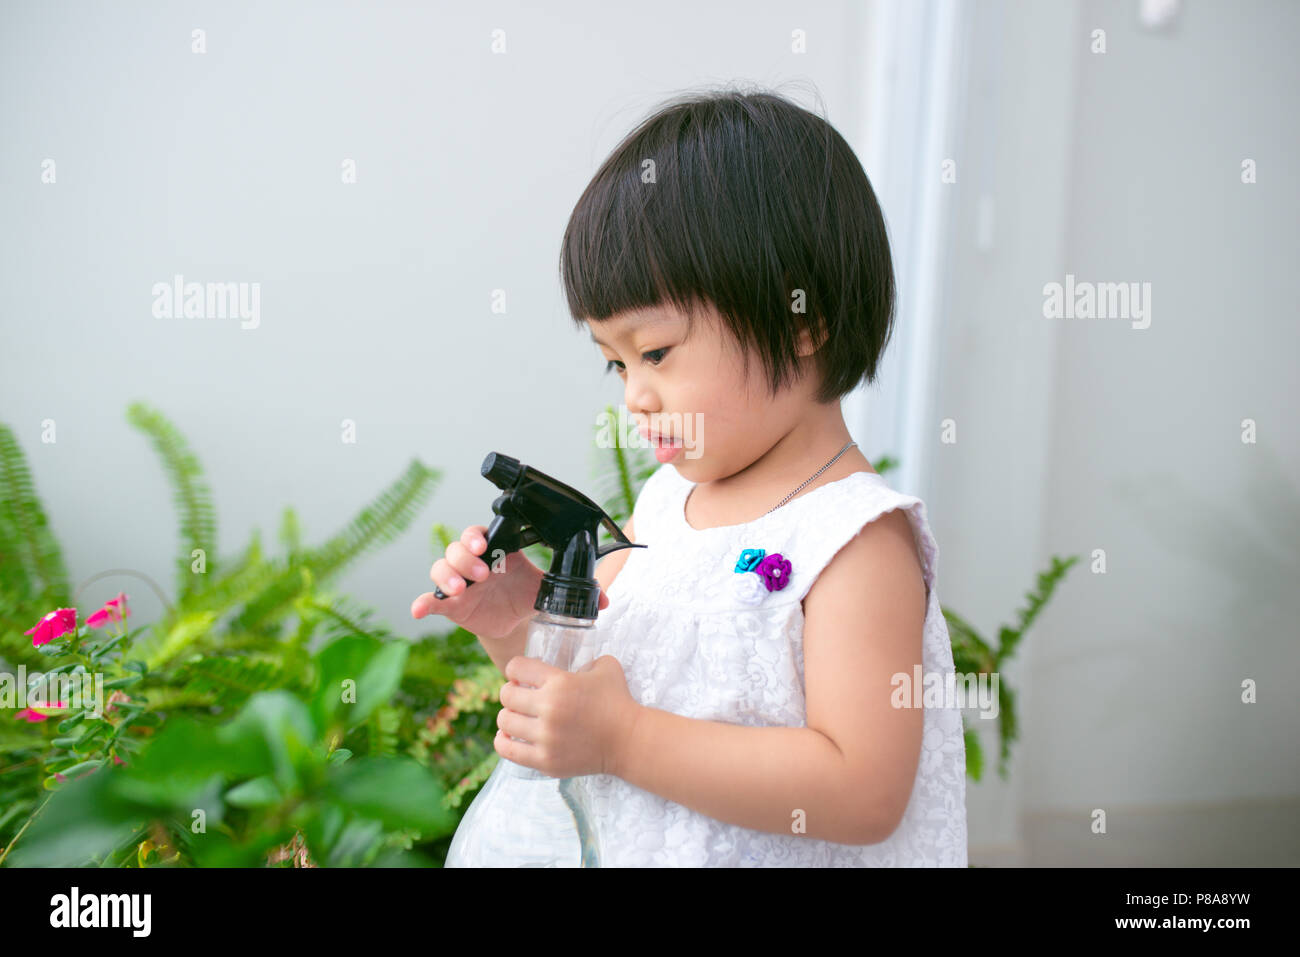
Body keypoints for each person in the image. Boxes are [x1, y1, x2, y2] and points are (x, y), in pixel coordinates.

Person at [412, 86, 967, 866]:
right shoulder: (668, 505)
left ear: (801, 320)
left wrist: (627, 739)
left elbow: (863, 788)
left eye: (658, 353)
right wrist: (518, 624)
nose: (634, 395)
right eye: (616, 362)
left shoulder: (854, 542)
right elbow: (589, 682)